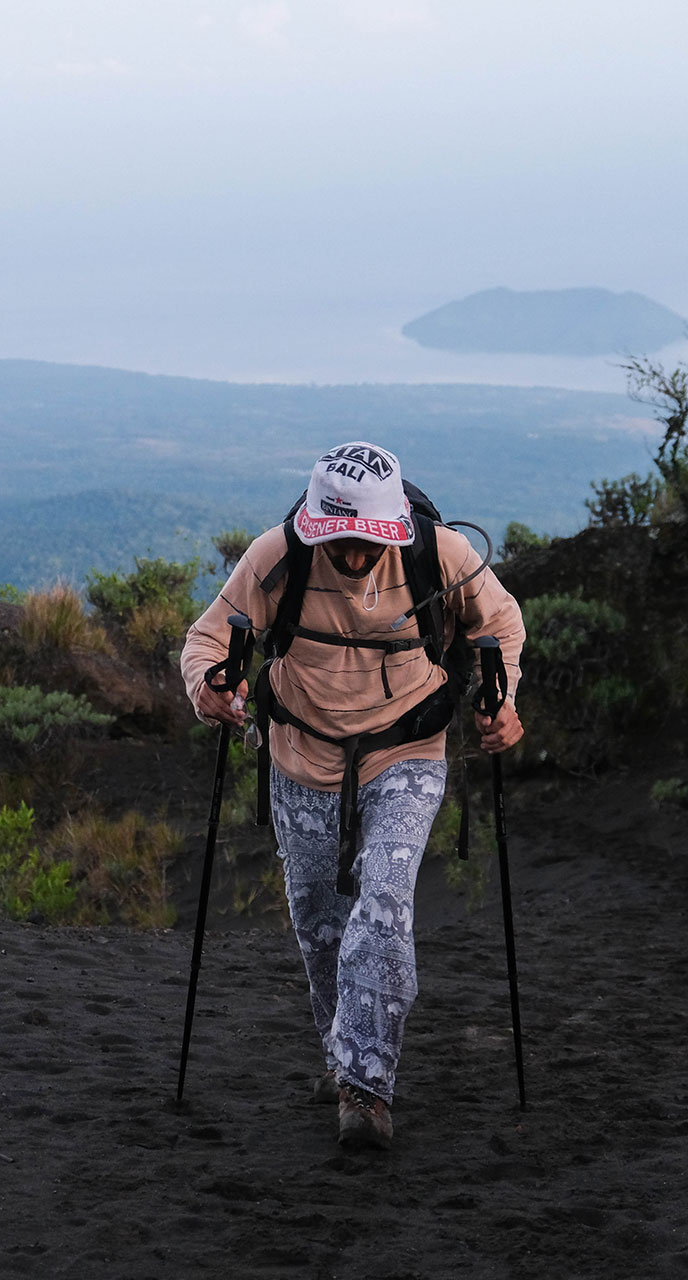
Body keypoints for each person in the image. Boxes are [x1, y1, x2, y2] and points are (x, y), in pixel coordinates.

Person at [179, 440, 525, 1150]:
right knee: (320, 923)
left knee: (386, 899)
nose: (357, 553)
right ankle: (343, 1049)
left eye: (369, 541)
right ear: (319, 526)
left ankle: (366, 1087)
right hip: (300, 751)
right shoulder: (278, 555)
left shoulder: (443, 554)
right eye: (342, 540)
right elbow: (207, 639)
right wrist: (209, 690)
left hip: (407, 748)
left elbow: (501, 623)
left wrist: (504, 700)